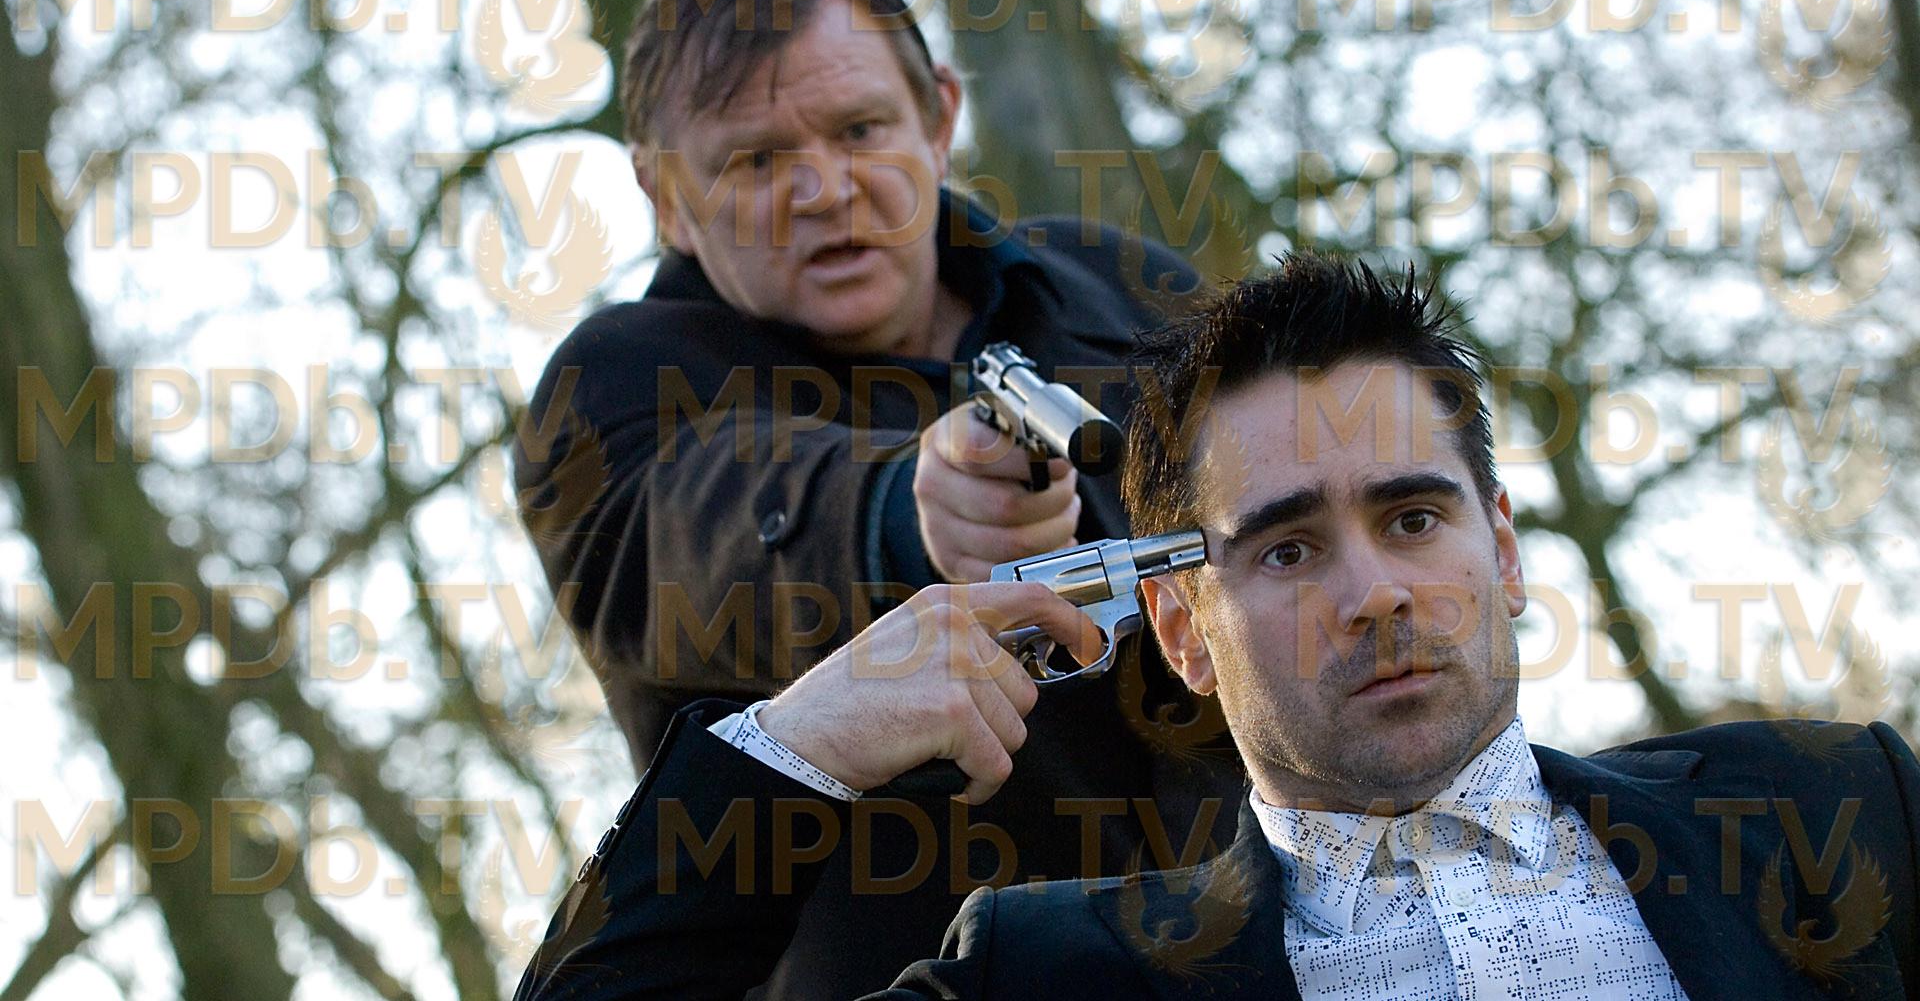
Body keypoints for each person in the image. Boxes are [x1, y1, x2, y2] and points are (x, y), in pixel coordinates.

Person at [514, 253, 1920, 1000]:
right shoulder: (1051, 979)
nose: (1375, 592)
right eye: (1289, 547)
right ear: (1183, 631)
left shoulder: (1837, 812)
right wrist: (799, 741)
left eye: (1414, 518)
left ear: (1502, 549)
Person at [511, 0, 1241, 996]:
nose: (823, 188)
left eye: (859, 129)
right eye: (756, 160)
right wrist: (904, 513)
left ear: (939, 117)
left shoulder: (1118, 282)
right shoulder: (615, 383)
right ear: (665, 195)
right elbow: (707, 534)